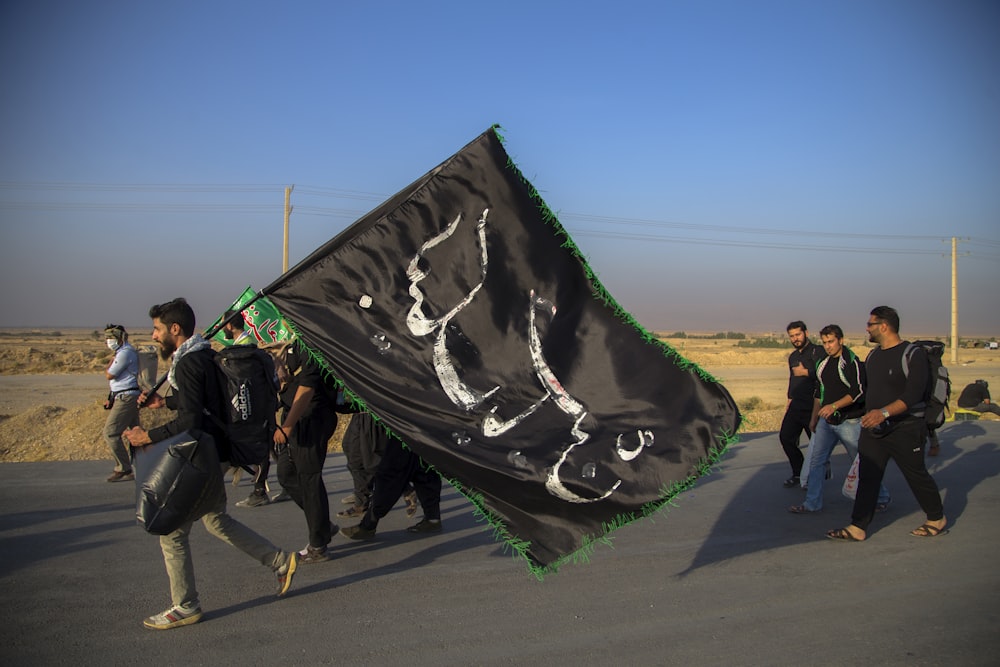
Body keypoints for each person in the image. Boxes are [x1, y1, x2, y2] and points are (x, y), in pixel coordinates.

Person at [122, 298, 297, 630]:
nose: (154, 336)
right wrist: (166, 401)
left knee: (171, 531)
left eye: (157, 329)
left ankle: (185, 605)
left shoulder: (188, 363)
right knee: (216, 521)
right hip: (218, 453)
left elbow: (189, 422)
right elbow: (203, 403)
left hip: (204, 457)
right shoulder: (203, 354)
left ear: (175, 329)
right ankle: (280, 561)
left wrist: (148, 436)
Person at [826, 306, 947, 542]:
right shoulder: (874, 355)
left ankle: (936, 518)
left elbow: (913, 395)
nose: (867, 328)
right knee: (868, 475)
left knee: (916, 474)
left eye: (870, 324)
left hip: (906, 427)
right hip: (874, 428)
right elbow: (871, 392)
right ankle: (858, 526)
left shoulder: (912, 354)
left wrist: (883, 413)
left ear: (884, 326)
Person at [789, 324, 890, 514]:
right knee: (817, 462)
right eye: (825, 342)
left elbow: (858, 392)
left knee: (861, 462)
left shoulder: (853, 363)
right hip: (827, 423)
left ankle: (882, 496)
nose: (828, 346)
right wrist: (814, 419)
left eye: (831, 341)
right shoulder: (822, 365)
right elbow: (819, 393)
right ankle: (812, 503)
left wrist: (834, 406)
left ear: (841, 340)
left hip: (849, 422)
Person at [272, 343, 339, 563]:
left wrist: (288, 425)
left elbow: (308, 386)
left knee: (309, 479)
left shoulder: (308, 340)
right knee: (286, 474)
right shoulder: (287, 342)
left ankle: (318, 546)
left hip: (312, 417)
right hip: (293, 417)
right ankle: (321, 523)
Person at [219, 309, 285, 509]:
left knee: (263, 446)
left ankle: (260, 489)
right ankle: (287, 480)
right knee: (269, 445)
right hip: (261, 405)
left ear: (230, 325)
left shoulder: (242, 353)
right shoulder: (256, 352)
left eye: (224, 325)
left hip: (253, 407)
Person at [340, 434, 443, 540]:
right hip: (422, 427)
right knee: (423, 467)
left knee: (392, 471)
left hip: (408, 427)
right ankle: (432, 517)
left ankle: (368, 525)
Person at [779, 321, 824, 488]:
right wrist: (789, 400)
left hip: (813, 406)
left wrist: (806, 372)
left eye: (798, 334)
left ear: (806, 332)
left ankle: (816, 475)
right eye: (792, 336)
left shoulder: (817, 352)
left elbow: (825, 374)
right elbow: (793, 380)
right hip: (796, 406)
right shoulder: (793, 357)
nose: (795, 338)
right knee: (786, 437)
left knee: (817, 445)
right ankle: (798, 472)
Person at [102, 324, 141, 482]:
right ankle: (146, 465)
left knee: (110, 432)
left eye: (111, 338)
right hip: (124, 395)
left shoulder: (125, 353)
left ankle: (123, 467)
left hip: (127, 397)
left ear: (120, 338)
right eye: (107, 338)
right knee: (137, 433)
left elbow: (110, 375)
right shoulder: (121, 352)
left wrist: (109, 366)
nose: (109, 341)